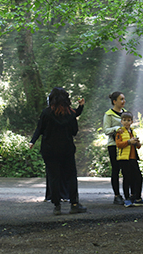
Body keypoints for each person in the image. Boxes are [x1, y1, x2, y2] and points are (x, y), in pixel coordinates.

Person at [30, 87, 87, 215]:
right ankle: (74, 204)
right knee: (71, 176)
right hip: (66, 150)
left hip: (49, 150)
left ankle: (57, 206)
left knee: (53, 176)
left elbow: (40, 128)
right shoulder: (70, 114)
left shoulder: (46, 113)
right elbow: (74, 132)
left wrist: (32, 141)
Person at [115, 112, 143, 207]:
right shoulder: (119, 132)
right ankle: (127, 199)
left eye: (128, 120)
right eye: (124, 120)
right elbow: (118, 144)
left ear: (132, 121)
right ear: (121, 121)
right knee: (127, 178)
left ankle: (137, 197)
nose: (126, 122)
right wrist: (129, 141)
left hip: (133, 158)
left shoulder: (133, 132)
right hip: (124, 158)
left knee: (138, 177)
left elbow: (138, 146)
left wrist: (137, 143)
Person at [102, 91, 130, 205]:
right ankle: (117, 195)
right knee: (115, 170)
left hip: (125, 145)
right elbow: (106, 130)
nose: (123, 101)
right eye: (121, 99)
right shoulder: (108, 114)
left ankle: (127, 195)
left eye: (124, 99)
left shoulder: (125, 113)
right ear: (114, 101)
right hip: (113, 145)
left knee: (126, 170)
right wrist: (116, 129)